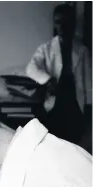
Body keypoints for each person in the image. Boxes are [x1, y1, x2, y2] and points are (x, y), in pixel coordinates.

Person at [26, 4, 92, 145]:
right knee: (54, 141)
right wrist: (48, 80)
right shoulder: (46, 48)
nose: (63, 26)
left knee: (73, 142)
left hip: (74, 101)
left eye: (67, 22)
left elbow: (88, 82)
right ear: (54, 24)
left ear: (73, 24)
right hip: (55, 101)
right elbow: (31, 68)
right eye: (58, 22)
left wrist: (88, 107)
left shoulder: (82, 50)